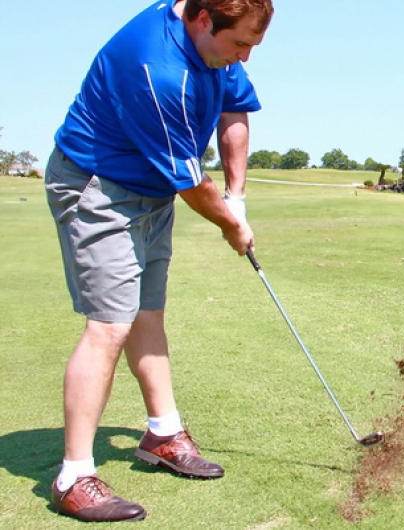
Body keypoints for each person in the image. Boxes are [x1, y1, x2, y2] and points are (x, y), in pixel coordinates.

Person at [43, 0, 274, 522]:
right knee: (109, 325)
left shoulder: (217, 46)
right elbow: (190, 183)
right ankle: (73, 476)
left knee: (147, 312)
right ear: (202, 20)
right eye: (240, 44)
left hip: (151, 191)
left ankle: (163, 434)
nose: (245, 57)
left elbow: (234, 110)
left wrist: (237, 197)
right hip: (99, 187)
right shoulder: (158, 69)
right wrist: (230, 224)